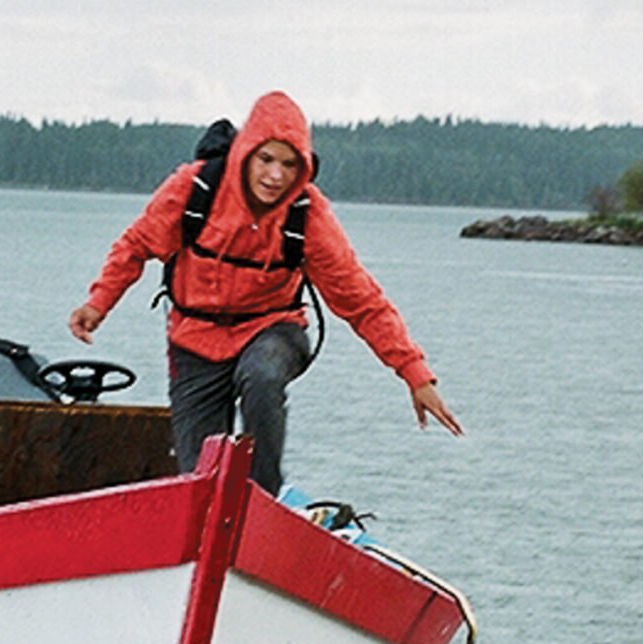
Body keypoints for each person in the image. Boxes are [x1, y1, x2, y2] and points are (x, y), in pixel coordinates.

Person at [67, 90, 462, 493]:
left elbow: (361, 301)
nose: (276, 176)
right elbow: (136, 245)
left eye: (290, 164)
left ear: (304, 168)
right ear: (245, 153)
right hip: (194, 339)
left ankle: (263, 497)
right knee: (198, 479)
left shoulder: (308, 216)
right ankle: (212, 531)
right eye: (266, 159)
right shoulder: (193, 188)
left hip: (272, 330)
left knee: (262, 377)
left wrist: (415, 375)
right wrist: (99, 303)